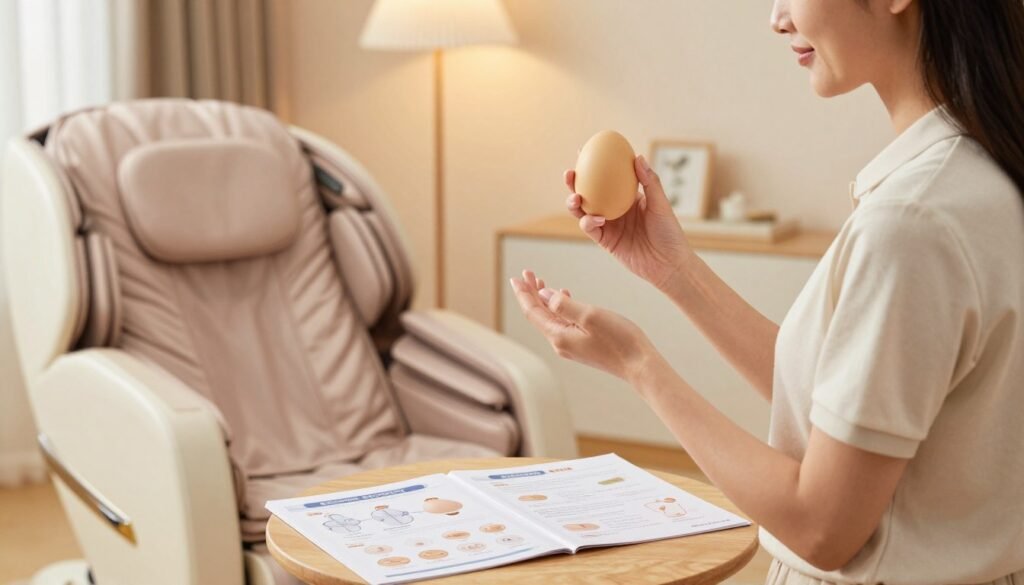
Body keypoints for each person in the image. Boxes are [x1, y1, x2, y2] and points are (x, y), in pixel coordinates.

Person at [509, 1, 1024, 583]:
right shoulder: (979, 175)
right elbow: (833, 397)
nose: (776, 18)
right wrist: (672, 272)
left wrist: (639, 367)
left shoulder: (913, 222)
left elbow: (821, 527)